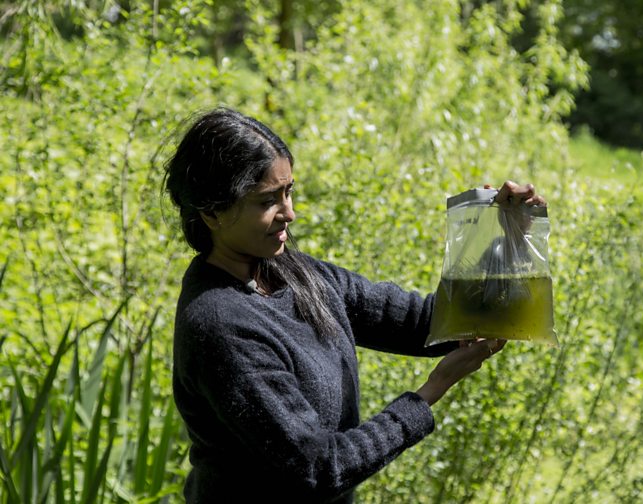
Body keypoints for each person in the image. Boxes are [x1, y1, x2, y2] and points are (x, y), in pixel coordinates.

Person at [163, 107, 547, 503]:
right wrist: (431, 390)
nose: (289, 213)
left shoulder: (295, 274)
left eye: (289, 191)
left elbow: (429, 322)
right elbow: (319, 468)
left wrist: (502, 238)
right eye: (267, 202)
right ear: (212, 212)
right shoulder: (219, 324)